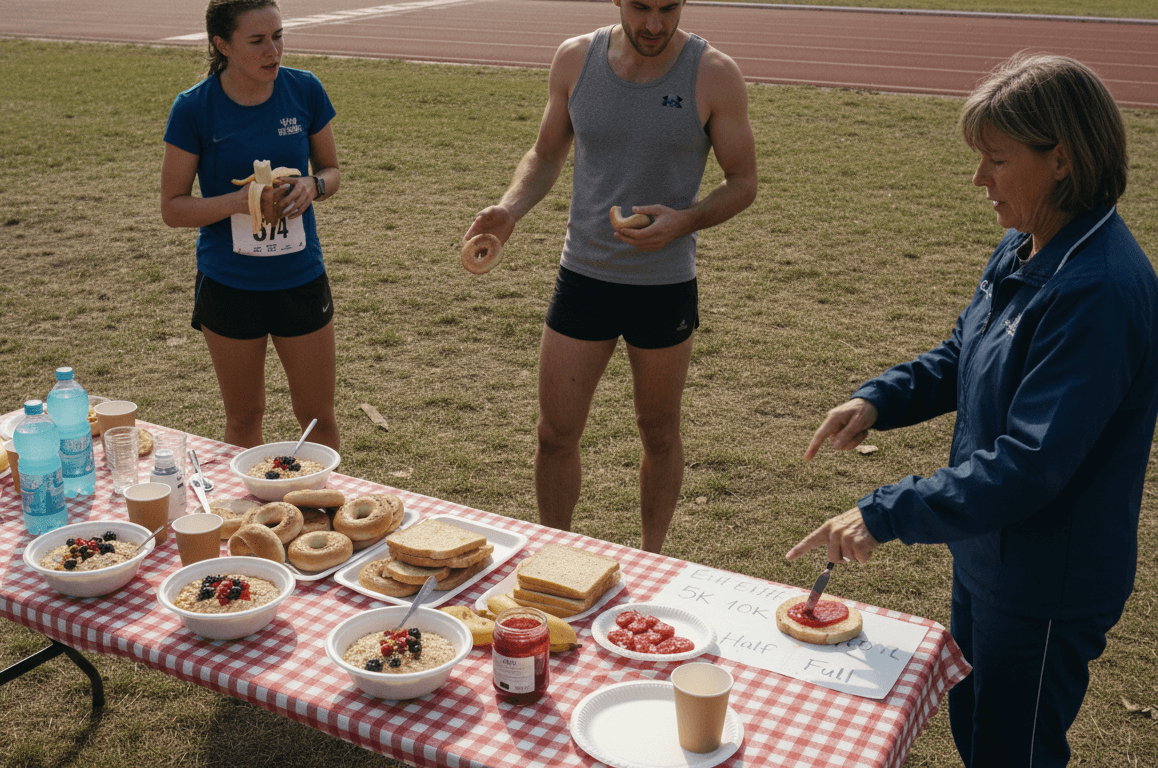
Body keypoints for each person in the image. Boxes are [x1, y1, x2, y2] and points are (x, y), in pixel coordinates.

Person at [788, 53, 1156, 767]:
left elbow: (1030, 465)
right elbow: (966, 351)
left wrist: (884, 510)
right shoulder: (1027, 243)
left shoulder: (1099, 291)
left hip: (1046, 580)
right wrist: (879, 398)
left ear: (1062, 160)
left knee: (1012, 751)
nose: (978, 179)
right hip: (989, 555)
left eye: (996, 160)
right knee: (977, 726)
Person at [463, 0, 757, 553]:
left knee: (660, 432)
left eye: (668, 8)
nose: (653, 24)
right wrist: (509, 209)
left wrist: (685, 221)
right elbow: (546, 155)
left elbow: (742, 182)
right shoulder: (576, 59)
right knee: (554, 435)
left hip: (664, 284)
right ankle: (554, 553)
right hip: (585, 276)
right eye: (641, 7)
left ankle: (651, 556)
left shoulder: (713, 73)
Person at [161, 0, 341, 450]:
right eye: (257, 41)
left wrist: (312, 185)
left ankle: (328, 511)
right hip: (229, 283)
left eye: (278, 36)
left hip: (299, 277)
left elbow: (332, 170)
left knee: (317, 416)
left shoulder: (304, 89)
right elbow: (173, 208)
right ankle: (250, 517)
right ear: (222, 45)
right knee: (244, 416)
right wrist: (239, 202)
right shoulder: (194, 108)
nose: (273, 51)